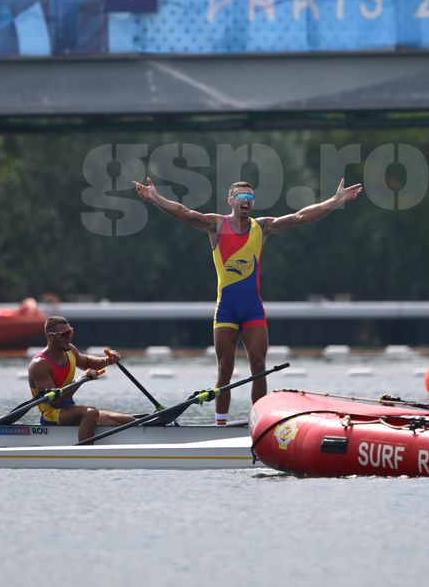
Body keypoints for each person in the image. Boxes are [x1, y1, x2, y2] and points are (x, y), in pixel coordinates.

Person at [134, 177, 364, 424]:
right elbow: (185, 213)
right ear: (231, 200)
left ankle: (259, 423)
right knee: (225, 370)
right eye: (242, 197)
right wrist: (155, 198)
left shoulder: (262, 227)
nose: (246, 202)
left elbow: (299, 217)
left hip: (253, 310)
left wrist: (336, 200)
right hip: (226, 311)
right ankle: (220, 423)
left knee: (259, 366)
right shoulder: (217, 224)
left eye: (250, 198)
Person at [28, 316, 135, 442]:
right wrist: (79, 380)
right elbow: (54, 402)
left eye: (70, 332)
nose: (69, 336)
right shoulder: (39, 364)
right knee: (90, 413)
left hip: (70, 409)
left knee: (128, 420)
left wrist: (107, 360)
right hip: (51, 414)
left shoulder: (70, 350)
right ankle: (85, 453)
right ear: (51, 336)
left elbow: (87, 362)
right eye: (64, 334)